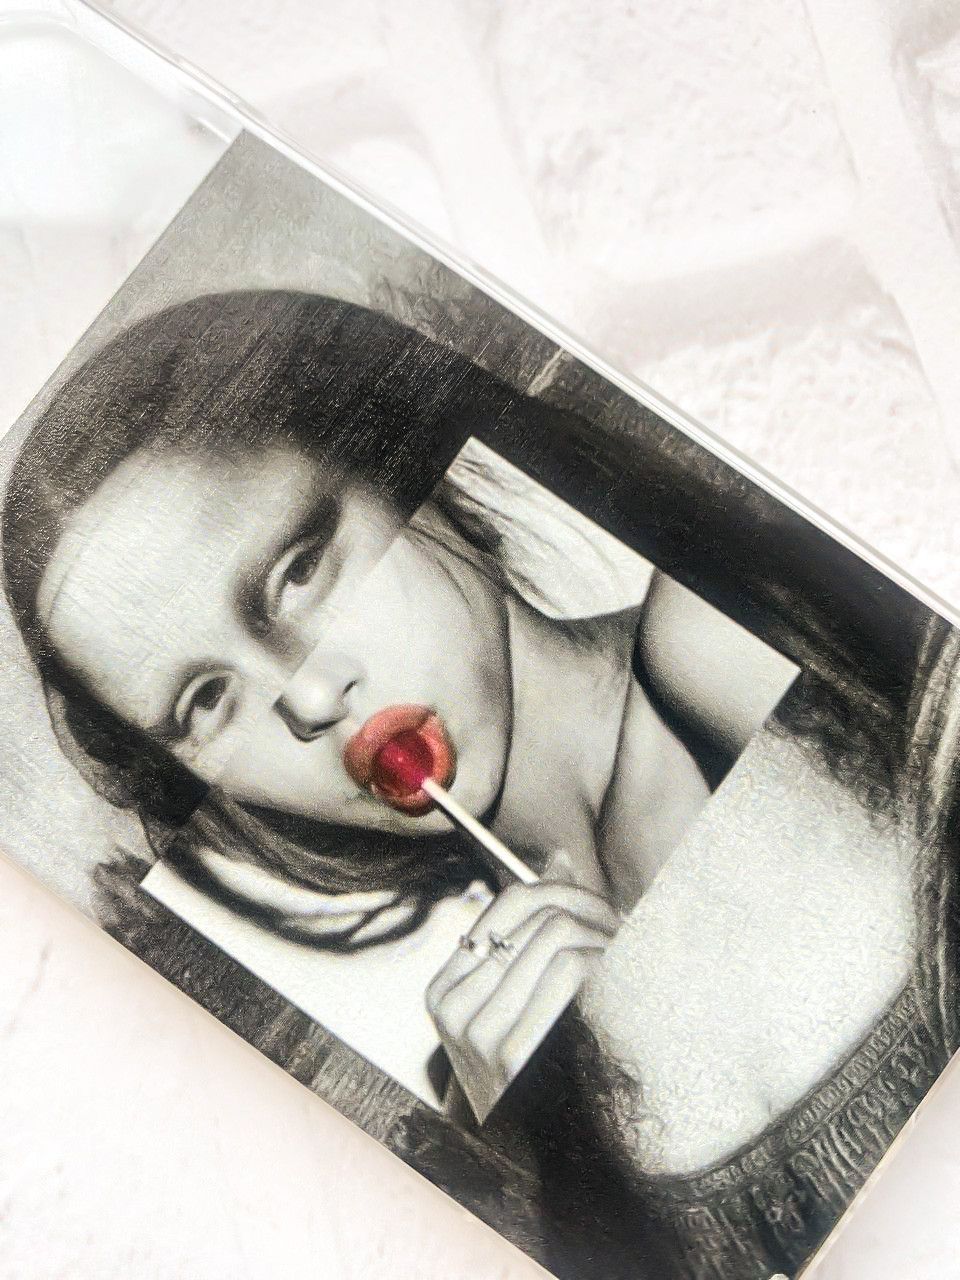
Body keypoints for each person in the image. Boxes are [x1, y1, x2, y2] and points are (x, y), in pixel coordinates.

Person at [4, 287, 955, 1278]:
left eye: (300, 569)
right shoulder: (482, 1060)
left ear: (406, 469)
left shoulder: (711, 650)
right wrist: (552, 1162)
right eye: (206, 700)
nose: (313, 697)